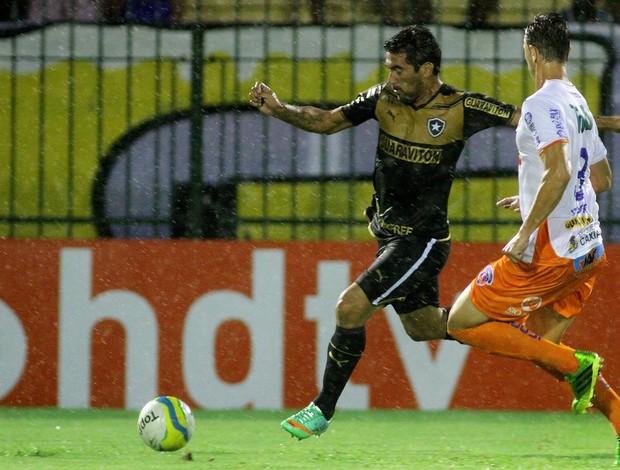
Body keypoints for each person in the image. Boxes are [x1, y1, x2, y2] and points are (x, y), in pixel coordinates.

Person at [249, 24, 620, 442]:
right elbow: (328, 120)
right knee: (425, 326)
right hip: (390, 235)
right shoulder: (381, 99)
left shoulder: (463, 106)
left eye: (399, 70)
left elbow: (535, 123)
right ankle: (576, 379)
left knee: (349, 308)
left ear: (426, 69)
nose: (391, 78)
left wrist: (592, 125)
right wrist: (279, 108)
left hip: (422, 241)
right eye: (389, 69)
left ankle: (322, 409)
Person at [446, 13, 620, 464]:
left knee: (461, 321)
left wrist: (525, 232)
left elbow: (561, 172)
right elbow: (599, 179)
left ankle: (580, 365)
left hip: (550, 250)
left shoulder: (540, 104)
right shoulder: (579, 102)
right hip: (589, 249)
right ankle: (616, 412)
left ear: (532, 52)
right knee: (544, 351)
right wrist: (531, 198)